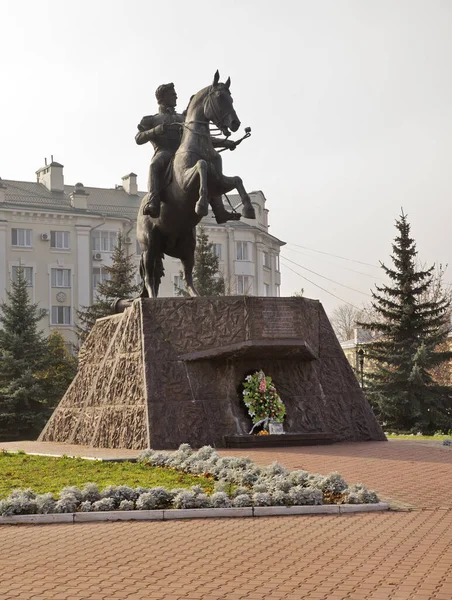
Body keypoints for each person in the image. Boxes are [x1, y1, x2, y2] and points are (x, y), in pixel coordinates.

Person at [136, 83, 238, 220]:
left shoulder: (183, 119)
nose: (176, 96)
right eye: (172, 94)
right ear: (162, 97)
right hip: (164, 152)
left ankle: (219, 210)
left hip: (186, 154)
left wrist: (226, 142)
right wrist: (156, 130)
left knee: (210, 168)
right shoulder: (151, 119)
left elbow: (202, 138)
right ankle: (153, 200)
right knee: (154, 165)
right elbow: (138, 138)